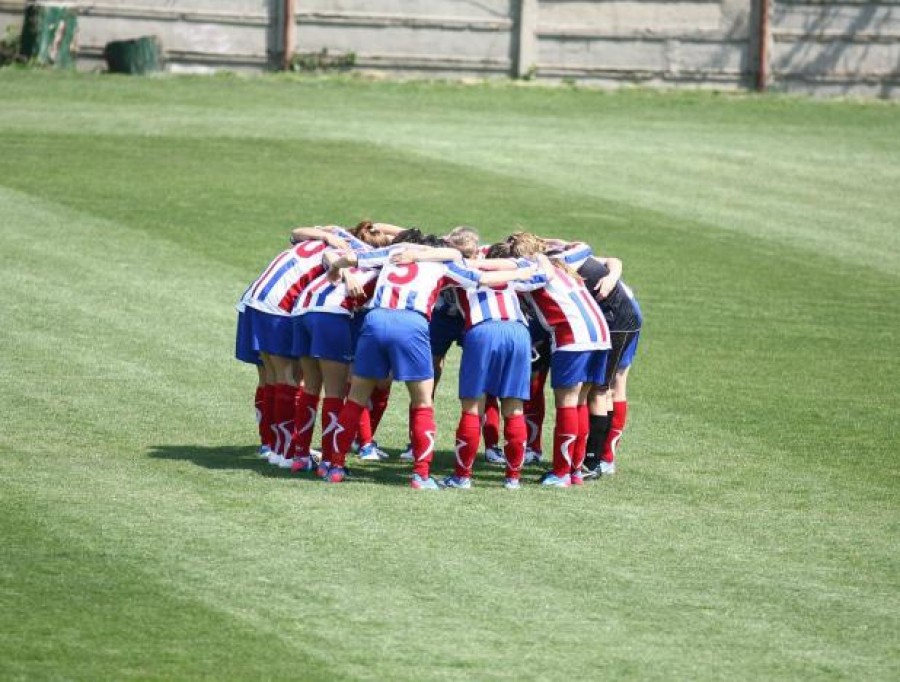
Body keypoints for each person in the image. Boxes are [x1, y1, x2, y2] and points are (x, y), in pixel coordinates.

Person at [319, 230, 539, 489]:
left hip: (376, 319)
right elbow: (480, 278)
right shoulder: (442, 263)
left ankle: (335, 466)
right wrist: (520, 273)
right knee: (423, 401)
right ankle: (421, 475)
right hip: (413, 323)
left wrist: (335, 269)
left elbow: (351, 257)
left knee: (356, 398)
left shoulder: (394, 252)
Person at [507, 233, 612, 487]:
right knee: (580, 403)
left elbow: (507, 283)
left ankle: (561, 473)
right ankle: (575, 471)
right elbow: (584, 246)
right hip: (601, 334)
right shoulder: (562, 262)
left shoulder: (532, 270)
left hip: (573, 338)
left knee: (566, 404)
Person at [288, 222, 392, 472]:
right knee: (335, 393)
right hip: (330, 316)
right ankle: (327, 461)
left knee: (311, 387)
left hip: (301, 311)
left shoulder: (353, 248)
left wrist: (343, 270)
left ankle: (300, 456)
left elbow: (326, 251)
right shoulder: (384, 267)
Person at [548, 240, 642, 478]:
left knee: (602, 389)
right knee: (609, 386)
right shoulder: (572, 255)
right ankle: (601, 459)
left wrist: (611, 277)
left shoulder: (560, 262)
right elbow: (613, 260)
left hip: (617, 320)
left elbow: (614, 261)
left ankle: (596, 461)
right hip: (623, 315)